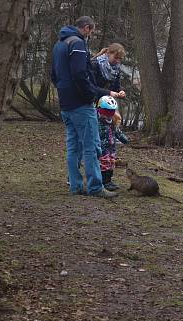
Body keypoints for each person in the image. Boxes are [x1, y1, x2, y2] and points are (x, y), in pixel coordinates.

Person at [51, 16, 122, 198]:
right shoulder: (78, 44)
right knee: (92, 146)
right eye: (92, 31)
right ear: (87, 28)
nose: (91, 34)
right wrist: (91, 94)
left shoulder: (59, 44)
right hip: (81, 104)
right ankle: (95, 186)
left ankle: (75, 185)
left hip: (65, 103)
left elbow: (54, 74)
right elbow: (80, 74)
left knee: (73, 146)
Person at [96, 96, 128, 191]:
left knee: (111, 163)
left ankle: (109, 181)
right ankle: (104, 182)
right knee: (104, 164)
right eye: (106, 113)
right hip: (102, 148)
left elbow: (118, 133)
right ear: (100, 111)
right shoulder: (97, 122)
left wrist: (125, 140)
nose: (108, 116)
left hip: (111, 148)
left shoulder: (112, 122)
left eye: (111, 113)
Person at [91, 43, 126, 124]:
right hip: (91, 104)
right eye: (116, 57)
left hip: (107, 108)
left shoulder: (116, 69)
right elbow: (91, 87)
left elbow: (116, 87)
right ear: (108, 53)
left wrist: (121, 91)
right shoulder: (95, 64)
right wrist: (109, 93)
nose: (117, 61)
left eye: (119, 59)